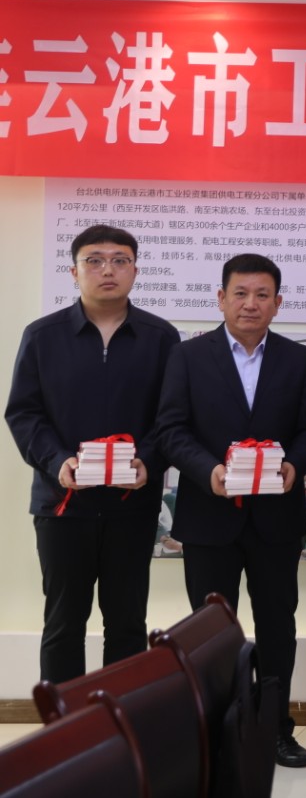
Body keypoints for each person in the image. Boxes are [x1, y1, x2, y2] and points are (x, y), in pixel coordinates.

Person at [154, 252, 306, 769]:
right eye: (241, 294)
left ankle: (274, 730)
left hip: (276, 519)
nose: (251, 304)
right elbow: (171, 430)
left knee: (278, 628)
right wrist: (209, 472)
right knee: (209, 635)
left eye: (262, 295)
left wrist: (294, 464)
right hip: (209, 517)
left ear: (278, 302)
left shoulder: (299, 360)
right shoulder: (187, 356)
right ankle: (214, 734)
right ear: (221, 298)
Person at [6, 224, 180, 682]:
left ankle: (122, 720)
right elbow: (23, 413)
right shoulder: (42, 336)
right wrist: (57, 460)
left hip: (132, 505)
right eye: (95, 260)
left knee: (127, 622)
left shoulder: (161, 337)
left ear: (135, 271)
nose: (108, 270)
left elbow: (172, 417)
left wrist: (148, 460)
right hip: (63, 505)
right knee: (63, 622)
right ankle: (66, 723)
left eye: (120, 260)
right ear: (74, 271)